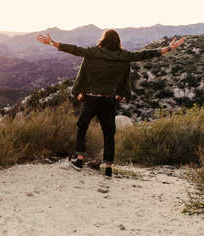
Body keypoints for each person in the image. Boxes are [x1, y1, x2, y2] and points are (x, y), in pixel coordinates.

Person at [36, 29, 185, 177]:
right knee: (109, 133)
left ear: (103, 40)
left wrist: (51, 42)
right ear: (118, 42)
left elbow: (74, 49)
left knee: (82, 126)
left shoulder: (93, 52)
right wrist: (170, 48)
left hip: (92, 98)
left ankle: (79, 160)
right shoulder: (123, 56)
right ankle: (108, 168)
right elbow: (144, 54)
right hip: (109, 100)